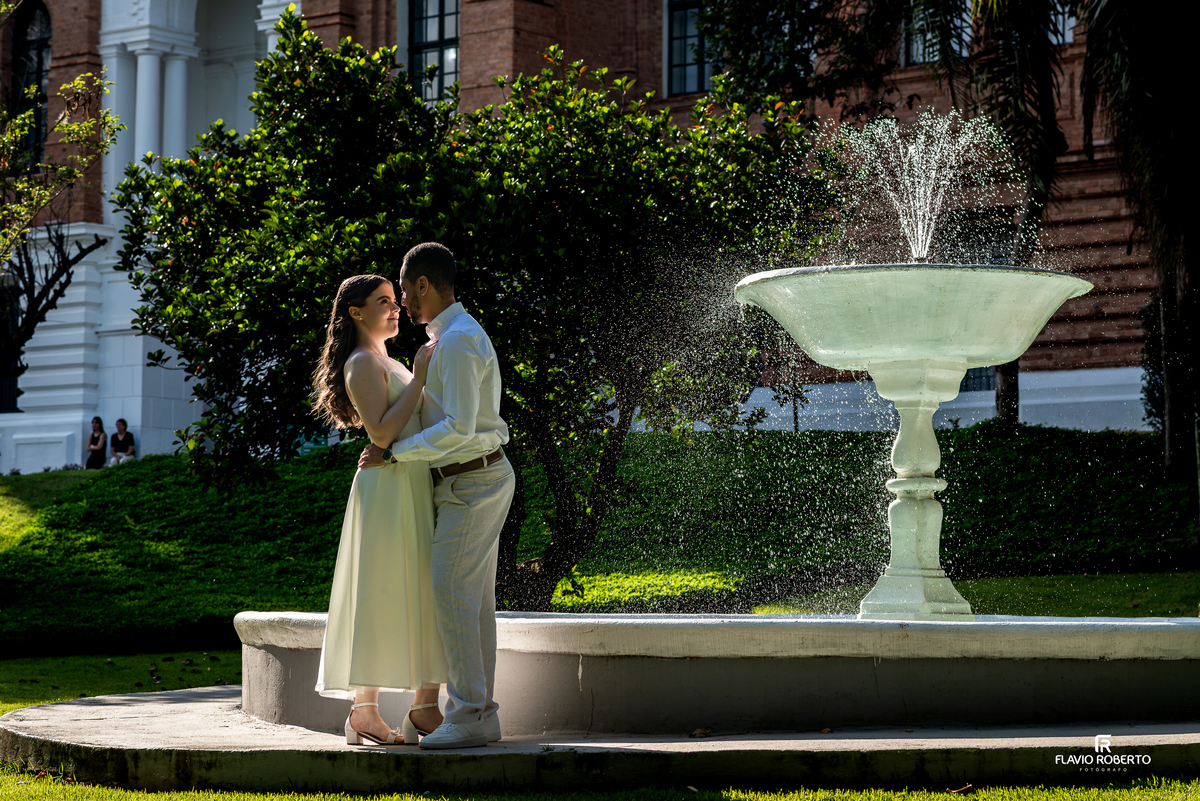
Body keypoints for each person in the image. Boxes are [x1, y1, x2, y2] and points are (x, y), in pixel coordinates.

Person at [359, 242, 515, 750]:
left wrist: (397, 452)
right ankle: (479, 713)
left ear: (422, 285)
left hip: (473, 479)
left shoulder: (459, 341)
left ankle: (469, 712)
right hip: (464, 481)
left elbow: (459, 428)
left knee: (450, 594)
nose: (402, 302)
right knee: (471, 605)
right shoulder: (445, 340)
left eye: (403, 290)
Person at [311, 274, 446, 746]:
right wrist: (421, 376)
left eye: (395, 301)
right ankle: (373, 710)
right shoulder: (362, 363)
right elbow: (383, 433)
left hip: (403, 479)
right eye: (384, 302)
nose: (395, 308)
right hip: (386, 489)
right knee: (383, 586)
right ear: (355, 311)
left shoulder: (382, 359)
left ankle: (390, 708)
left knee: (405, 586)